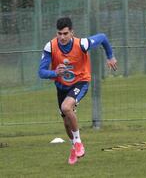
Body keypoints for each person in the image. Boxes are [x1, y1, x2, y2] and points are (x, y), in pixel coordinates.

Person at [38, 17, 117, 164]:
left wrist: (110, 56)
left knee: (66, 107)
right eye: (59, 33)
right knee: (66, 122)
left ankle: (79, 142)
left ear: (72, 32)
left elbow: (103, 38)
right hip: (61, 87)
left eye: (65, 33)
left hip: (80, 82)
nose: (62, 37)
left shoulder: (82, 44)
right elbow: (41, 72)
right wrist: (55, 73)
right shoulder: (50, 46)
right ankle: (74, 146)